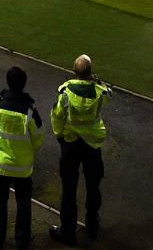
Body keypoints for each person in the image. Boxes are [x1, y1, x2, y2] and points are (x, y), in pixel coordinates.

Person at [50, 54, 111, 246]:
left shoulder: (65, 92)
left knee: (69, 190)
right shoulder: (100, 92)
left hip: (70, 143)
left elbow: (57, 116)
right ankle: (92, 226)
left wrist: (59, 136)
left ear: (74, 71)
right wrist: (97, 81)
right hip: (92, 144)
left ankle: (68, 232)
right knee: (93, 186)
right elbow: (109, 95)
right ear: (90, 72)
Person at [0, 65, 43, 250]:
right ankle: (22, 240)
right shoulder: (30, 111)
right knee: (24, 203)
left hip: (0, 164)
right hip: (22, 167)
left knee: (0, 201)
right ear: (23, 84)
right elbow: (39, 137)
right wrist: (29, 152)